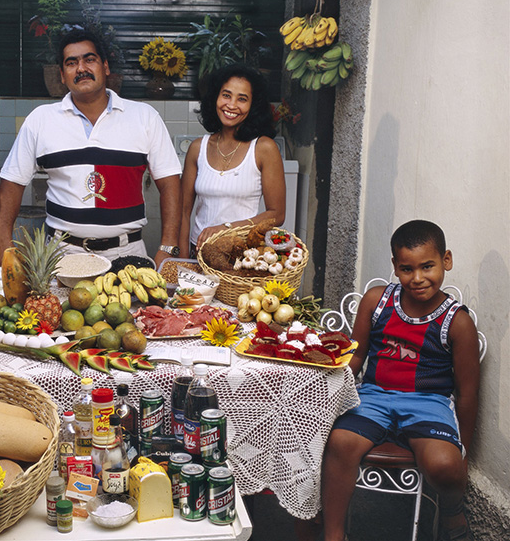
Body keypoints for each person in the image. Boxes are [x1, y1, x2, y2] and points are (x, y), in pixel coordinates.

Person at [320, 220, 479, 541]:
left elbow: (467, 392)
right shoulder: (376, 302)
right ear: (395, 266)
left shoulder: (457, 322)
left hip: (428, 405)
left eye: (428, 266)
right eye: (407, 268)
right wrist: (329, 394)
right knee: (340, 443)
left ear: (446, 261)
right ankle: (334, 533)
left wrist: (465, 451)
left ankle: (450, 509)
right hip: (373, 398)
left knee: (444, 464)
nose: (418, 278)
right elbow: (356, 357)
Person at [0, 29, 182, 265]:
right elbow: (12, 182)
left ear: (105, 67)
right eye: (71, 63)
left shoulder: (144, 117)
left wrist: (168, 246)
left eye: (89, 59)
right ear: (62, 75)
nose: (81, 68)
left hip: (126, 253)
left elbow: (170, 183)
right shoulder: (41, 119)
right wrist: (2, 241)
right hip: (62, 254)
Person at [179, 63, 285, 258]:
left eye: (242, 99)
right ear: (215, 98)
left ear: (253, 106)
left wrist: (227, 228)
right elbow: (183, 211)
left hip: (241, 256)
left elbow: (277, 214)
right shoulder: (197, 148)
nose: (232, 105)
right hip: (199, 253)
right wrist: (183, 259)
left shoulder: (264, 148)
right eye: (226, 95)